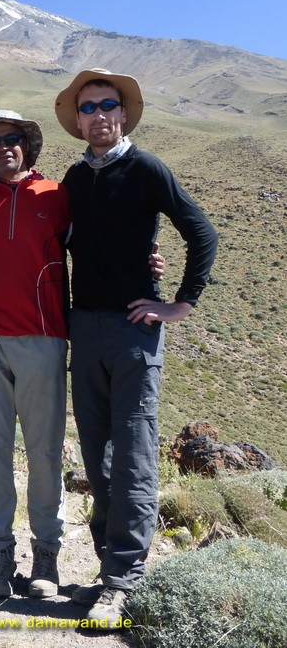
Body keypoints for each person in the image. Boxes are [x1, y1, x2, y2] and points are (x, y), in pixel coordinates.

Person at [54, 68, 218, 627]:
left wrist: (180, 303)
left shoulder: (146, 169)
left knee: (134, 454)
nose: (98, 115)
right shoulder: (75, 179)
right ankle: (109, 570)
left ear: (123, 114)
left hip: (133, 332)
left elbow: (202, 232)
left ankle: (126, 580)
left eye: (107, 105)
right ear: (78, 121)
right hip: (84, 327)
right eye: (88, 107)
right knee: (96, 454)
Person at [0, 110, 70, 598]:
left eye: (12, 138)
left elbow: (100, 244)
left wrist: (148, 260)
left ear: (27, 145)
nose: (4, 146)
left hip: (43, 337)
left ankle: (46, 555)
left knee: (45, 450)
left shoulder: (57, 195)